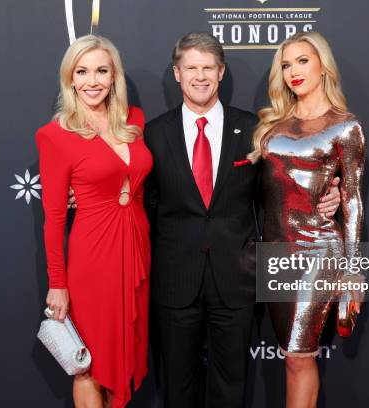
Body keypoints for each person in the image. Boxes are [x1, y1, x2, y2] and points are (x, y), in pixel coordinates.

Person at [141, 32, 342, 408]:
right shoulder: (153, 133)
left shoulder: (256, 131)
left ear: (221, 73)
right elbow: (141, 203)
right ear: (176, 73)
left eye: (207, 68)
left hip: (236, 281)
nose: (199, 76)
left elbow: (281, 192)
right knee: (176, 391)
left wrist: (331, 195)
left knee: (231, 389)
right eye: (190, 68)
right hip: (174, 282)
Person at [248, 31, 366, 408]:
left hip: (318, 250)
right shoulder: (270, 127)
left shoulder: (345, 127)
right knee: (290, 355)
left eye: (302, 61)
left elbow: (354, 202)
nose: (293, 71)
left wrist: (353, 269)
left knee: (300, 356)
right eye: (285, 64)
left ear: (322, 66)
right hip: (275, 252)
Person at [36, 35, 152, 408]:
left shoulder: (134, 121)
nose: (92, 81)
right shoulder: (55, 135)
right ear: (70, 78)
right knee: (88, 363)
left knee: (126, 349)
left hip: (136, 246)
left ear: (114, 75)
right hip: (92, 258)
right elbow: (53, 218)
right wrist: (58, 284)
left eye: (101, 70)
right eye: (82, 71)